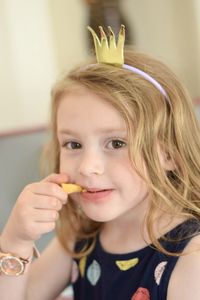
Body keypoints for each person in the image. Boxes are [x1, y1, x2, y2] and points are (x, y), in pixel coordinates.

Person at [0, 25, 200, 300]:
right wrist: (15, 242)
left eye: (117, 143)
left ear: (169, 154)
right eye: (73, 145)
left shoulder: (191, 256)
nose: (86, 166)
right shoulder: (80, 239)